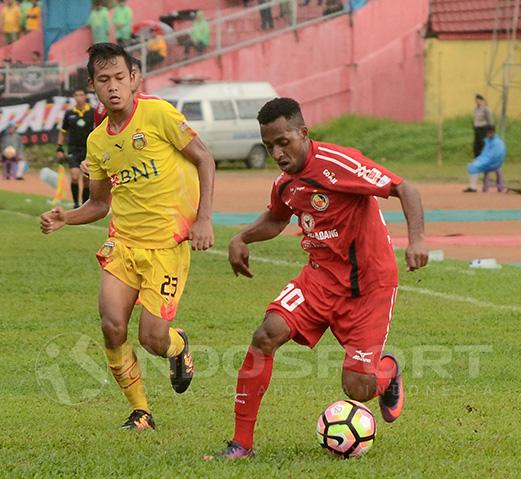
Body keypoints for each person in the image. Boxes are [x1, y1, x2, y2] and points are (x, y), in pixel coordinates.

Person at [204, 97, 428, 460]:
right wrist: (241, 238)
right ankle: (241, 444)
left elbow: (406, 189)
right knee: (265, 335)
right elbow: (276, 219)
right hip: (320, 278)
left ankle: (386, 372)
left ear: (303, 133)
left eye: (283, 142)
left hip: (368, 285)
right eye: (268, 146)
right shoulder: (286, 183)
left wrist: (417, 239)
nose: (277, 152)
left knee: (357, 387)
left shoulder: (339, 163)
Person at [40, 43, 215, 430]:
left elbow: (204, 157)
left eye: (120, 77)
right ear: (92, 84)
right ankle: (141, 412)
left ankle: (178, 345)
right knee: (111, 325)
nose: (113, 86)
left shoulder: (157, 114)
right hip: (123, 244)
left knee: (153, 339)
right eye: (104, 80)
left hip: (166, 247)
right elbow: (100, 204)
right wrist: (65, 218)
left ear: (134, 78)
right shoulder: (98, 141)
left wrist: (204, 219)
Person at [56, 88, 94, 208]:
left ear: (85, 96)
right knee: (74, 177)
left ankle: (84, 205)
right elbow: (63, 132)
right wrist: (60, 148)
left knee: (87, 180)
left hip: (88, 150)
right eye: (76, 95)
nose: (79, 97)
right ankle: (76, 204)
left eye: (81, 95)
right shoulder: (69, 113)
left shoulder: (92, 112)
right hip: (73, 149)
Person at [464, 125, 505, 193]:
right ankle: (472, 186)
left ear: (492, 132)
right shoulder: (488, 141)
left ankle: (473, 187)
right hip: (488, 160)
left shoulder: (497, 142)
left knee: (474, 166)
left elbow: (495, 156)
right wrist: (478, 159)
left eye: (489, 133)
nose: (487, 134)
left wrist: (481, 161)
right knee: (473, 163)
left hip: (494, 163)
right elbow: (485, 153)